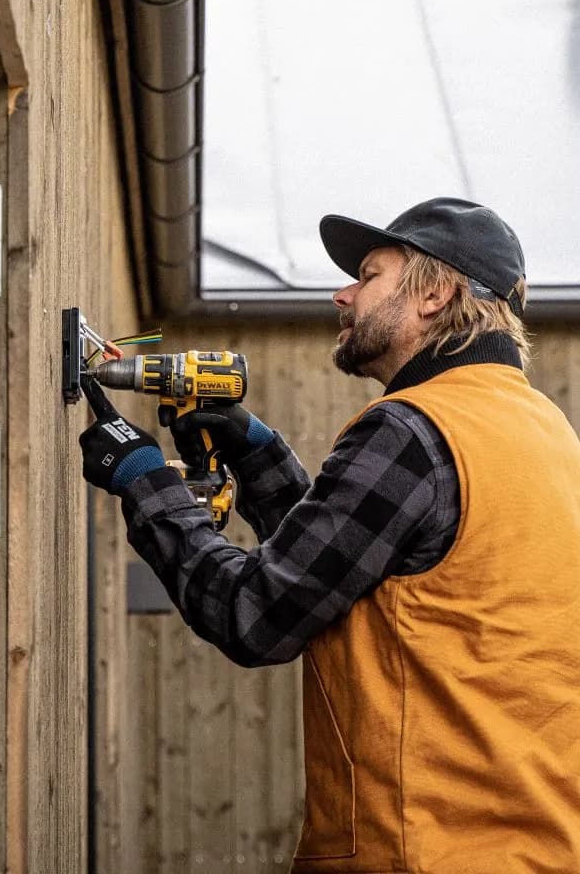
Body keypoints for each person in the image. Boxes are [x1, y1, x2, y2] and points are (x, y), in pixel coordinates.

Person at [78, 198, 580, 873]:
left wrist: (146, 481)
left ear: (436, 293)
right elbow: (349, 581)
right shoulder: (544, 433)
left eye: (369, 275)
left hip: (418, 852)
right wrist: (258, 454)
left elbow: (255, 614)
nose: (343, 294)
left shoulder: (410, 429)